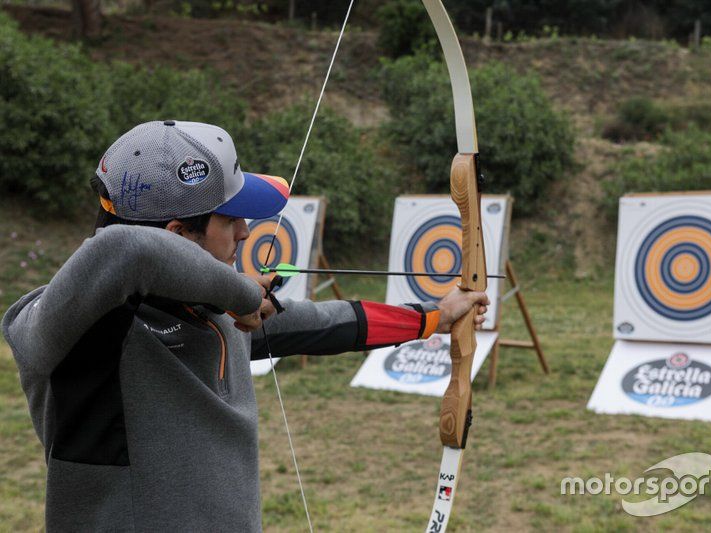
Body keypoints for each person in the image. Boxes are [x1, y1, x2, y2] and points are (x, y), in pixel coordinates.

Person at [2, 120, 489, 531]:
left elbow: (320, 322)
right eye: (230, 218)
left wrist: (432, 318)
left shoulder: (209, 312)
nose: (246, 231)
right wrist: (240, 293)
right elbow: (125, 251)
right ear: (177, 235)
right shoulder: (67, 324)